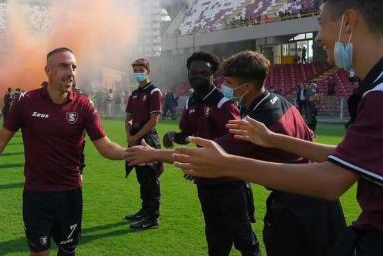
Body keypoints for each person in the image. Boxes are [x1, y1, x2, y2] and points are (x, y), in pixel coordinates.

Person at [165, 0, 383, 255]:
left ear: (348, 22)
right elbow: (343, 156)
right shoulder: (372, 89)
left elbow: (332, 181)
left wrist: (228, 165)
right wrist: (274, 140)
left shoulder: (377, 94)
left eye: (320, 24)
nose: (318, 38)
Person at [130, 51, 347, 255]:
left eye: (230, 83)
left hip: (297, 204)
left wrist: (153, 154)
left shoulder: (256, 121)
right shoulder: (280, 102)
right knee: (218, 236)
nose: (226, 87)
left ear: (247, 86)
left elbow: (211, 154)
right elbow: (309, 136)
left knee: (243, 236)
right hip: (318, 200)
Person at [0, 47, 126, 256]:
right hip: (36, 194)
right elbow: (0, 140)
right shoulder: (26, 102)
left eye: (74, 67)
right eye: (64, 66)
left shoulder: (83, 104)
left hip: (70, 193)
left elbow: (105, 146)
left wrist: (131, 153)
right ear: (47, 70)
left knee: (67, 251)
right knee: (39, 253)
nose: (71, 71)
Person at [165, 51, 260, 256]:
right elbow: (188, 134)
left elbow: (237, 139)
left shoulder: (223, 103)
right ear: (188, 74)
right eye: (193, 72)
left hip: (229, 181)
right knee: (215, 236)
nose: (198, 76)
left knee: (242, 237)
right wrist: (174, 135)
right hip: (206, 183)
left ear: (212, 75)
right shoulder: (192, 102)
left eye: (203, 72)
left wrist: (202, 161)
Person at [124, 58, 163, 230]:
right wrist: (129, 136)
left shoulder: (154, 92)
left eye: (141, 69)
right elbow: (128, 118)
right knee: (141, 177)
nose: (138, 73)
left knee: (150, 178)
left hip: (148, 138)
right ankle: (144, 210)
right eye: (135, 70)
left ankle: (153, 217)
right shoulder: (134, 93)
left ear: (148, 71)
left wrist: (137, 136)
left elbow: (154, 120)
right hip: (135, 137)